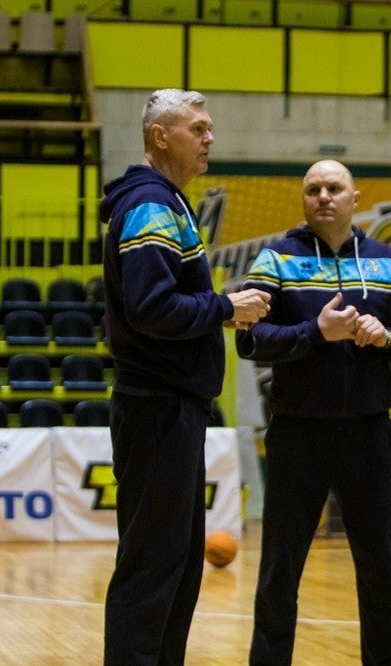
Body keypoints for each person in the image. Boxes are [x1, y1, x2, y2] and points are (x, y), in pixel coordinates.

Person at [99, 88, 272, 666]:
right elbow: (151, 308)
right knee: (153, 566)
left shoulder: (168, 203)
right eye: (197, 128)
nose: (209, 138)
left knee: (173, 565)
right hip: (158, 407)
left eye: (209, 128)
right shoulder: (151, 205)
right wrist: (225, 307)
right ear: (159, 136)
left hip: (172, 407)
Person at [235, 159, 391, 666]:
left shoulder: (389, 262)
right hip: (297, 435)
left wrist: (386, 339)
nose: (323, 196)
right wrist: (316, 333)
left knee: (380, 569)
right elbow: (250, 340)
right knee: (280, 569)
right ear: (303, 199)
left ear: (355, 199)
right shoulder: (276, 259)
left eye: (334, 188)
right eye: (313, 189)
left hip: (369, 435)